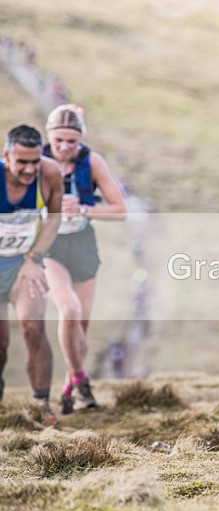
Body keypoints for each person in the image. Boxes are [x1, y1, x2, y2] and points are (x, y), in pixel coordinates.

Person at [42, 104, 127, 415]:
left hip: (81, 244)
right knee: (69, 308)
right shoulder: (34, 164)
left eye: (71, 141)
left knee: (80, 326)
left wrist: (84, 209)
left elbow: (120, 209)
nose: (64, 147)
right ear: (48, 136)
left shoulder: (91, 162)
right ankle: (82, 383)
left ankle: (67, 391)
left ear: (80, 140)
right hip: (48, 245)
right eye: (58, 140)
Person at [0, 125, 63, 423]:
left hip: (25, 263)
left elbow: (54, 219)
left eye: (34, 161)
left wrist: (33, 258)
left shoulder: (49, 174)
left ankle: (41, 404)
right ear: (6, 156)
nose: (29, 169)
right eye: (21, 161)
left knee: (33, 328)